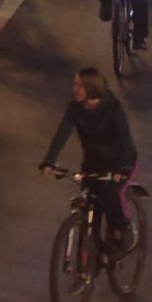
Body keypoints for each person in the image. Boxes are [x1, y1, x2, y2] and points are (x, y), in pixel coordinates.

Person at [39, 67, 139, 252]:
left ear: (92, 87)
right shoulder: (75, 108)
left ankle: (124, 228)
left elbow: (123, 138)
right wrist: (50, 160)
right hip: (93, 163)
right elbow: (63, 132)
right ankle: (90, 260)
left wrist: (120, 168)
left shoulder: (113, 107)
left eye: (80, 85)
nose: (75, 89)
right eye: (74, 84)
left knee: (110, 195)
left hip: (120, 162)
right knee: (88, 206)